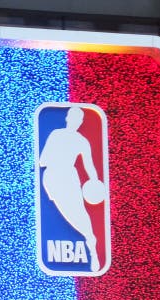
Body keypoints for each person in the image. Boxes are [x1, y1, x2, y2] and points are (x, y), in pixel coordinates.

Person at [39, 105, 102, 271]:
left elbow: (90, 165)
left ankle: (92, 249)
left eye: (78, 119)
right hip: (53, 179)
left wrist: (95, 182)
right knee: (71, 214)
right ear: (68, 118)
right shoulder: (56, 135)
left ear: (81, 122)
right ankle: (90, 241)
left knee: (80, 213)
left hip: (68, 178)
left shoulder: (82, 141)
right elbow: (42, 161)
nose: (75, 121)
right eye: (73, 117)